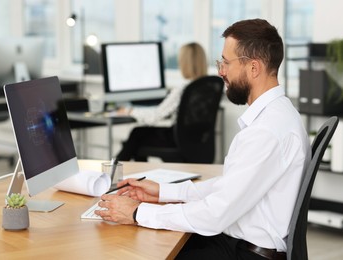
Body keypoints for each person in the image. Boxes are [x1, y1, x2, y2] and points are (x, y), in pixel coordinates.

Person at [95, 18, 310, 260]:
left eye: (226, 63)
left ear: (253, 68)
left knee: (142, 247)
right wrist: (162, 193)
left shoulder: (267, 131)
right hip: (237, 241)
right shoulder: (276, 116)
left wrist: (137, 213)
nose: (221, 71)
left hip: (244, 252)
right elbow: (228, 188)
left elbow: (215, 214)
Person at [115, 42, 208, 161]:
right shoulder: (206, 86)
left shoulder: (183, 89)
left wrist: (130, 111)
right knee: (139, 139)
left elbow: (154, 116)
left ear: (185, 63)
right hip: (195, 142)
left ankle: (112, 171)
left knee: (137, 133)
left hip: (176, 140)